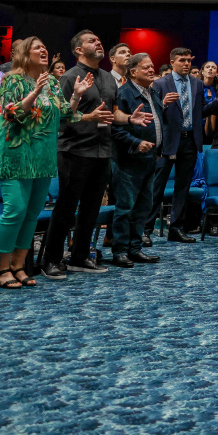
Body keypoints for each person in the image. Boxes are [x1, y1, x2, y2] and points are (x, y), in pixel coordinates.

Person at [0, 37, 87, 290]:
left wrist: (76, 96)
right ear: (25, 53)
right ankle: (1, 268)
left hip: (43, 156)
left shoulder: (52, 82)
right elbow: (10, 113)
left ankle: (19, 266)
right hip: (16, 153)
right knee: (15, 211)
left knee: (32, 213)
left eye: (45, 47)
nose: (44, 50)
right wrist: (34, 92)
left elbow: (65, 114)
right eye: (38, 48)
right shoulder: (12, 80)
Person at [41, 30, 129, 280]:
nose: (98, 42)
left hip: (102, 150)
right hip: (74, 150)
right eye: (92, 41)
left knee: (91, 208)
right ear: (78, 50)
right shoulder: (69, 77)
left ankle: (80, 256)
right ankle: (51, 259)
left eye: (99, 40)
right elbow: (60, 118)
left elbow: (113, 113)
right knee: (66, 208)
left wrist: (129, 118)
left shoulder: (108, 78)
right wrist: (88, 117)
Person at [149, 47, 218, 244]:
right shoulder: (160, 83)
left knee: (183, 187)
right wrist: (163, 104)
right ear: (172, 62)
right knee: (158, 186)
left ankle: (176, 229)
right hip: (168, 141)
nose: (187, 63)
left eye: (189, 60)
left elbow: (200, 112)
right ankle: (146, 228)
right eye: (182, 60)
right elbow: (152, 113)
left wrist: (217, 103)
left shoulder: (197, 83)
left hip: (190, 140)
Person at [110, 53, 162, 268]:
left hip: (149, 158)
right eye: (146, 67)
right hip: (128, 159)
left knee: (143, 207)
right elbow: (114, 128)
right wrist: (136, 142)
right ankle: (120, 251)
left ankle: (135, 248)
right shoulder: (124, 94)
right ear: (133, 72)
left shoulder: (153, 92)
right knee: (125, 208)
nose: (151, 70)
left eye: (152, 66)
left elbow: (158, 123)